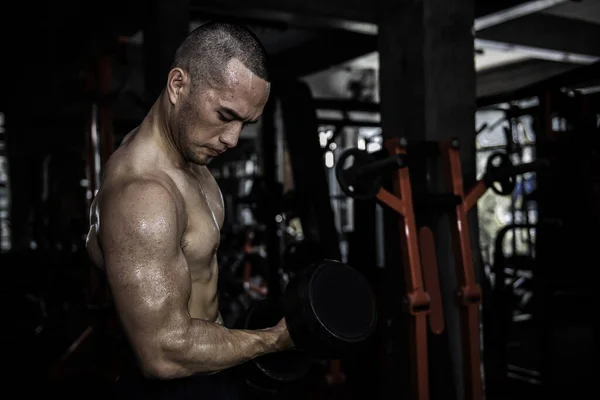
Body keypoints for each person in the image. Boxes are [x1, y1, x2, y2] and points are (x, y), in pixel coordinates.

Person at [85, 21, 293, 399]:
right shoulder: (144, 196)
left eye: (245, 123)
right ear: (178, 85)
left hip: (210, 370)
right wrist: (273, 340)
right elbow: (162, 353)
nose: (232, 139)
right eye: (225, 115)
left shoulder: (189, 154)